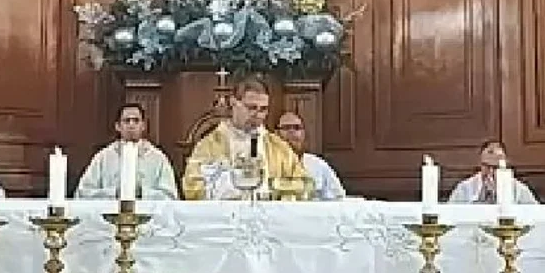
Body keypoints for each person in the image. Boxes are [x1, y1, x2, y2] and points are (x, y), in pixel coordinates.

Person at [181, 77, 309, 200]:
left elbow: (304, 184)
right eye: (251, 108)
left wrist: (274, 187)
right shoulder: (210, 146)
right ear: (233, 102)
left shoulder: (278, 148)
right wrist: (227, 184)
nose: (258, 115)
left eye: (263, 109)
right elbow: (191, 188)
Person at [76, 103, 179, 200]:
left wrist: (142, 193)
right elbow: (84, 192)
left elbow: (170, 195)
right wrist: (114, 193)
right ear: (118, 126)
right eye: (126, 121)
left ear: (143, 125)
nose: (131, 125)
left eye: (136, 121)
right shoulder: (103, 157)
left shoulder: (158, 158)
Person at [274, 111, 345, 200]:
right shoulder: (267, 163)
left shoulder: (317, 164)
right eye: (286, 128)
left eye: (297, 128)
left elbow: (337, 197)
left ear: (303, 134)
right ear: (276, 133)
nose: (292, 131)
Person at [446, 140, 538, 205]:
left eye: (495, 167)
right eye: (486, 166)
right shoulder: (464, 188)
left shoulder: (519, 189)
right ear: (480, 164)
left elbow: (536, 216)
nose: (490, 173)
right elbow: (450, 214)